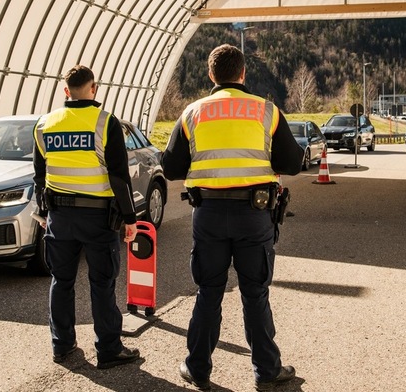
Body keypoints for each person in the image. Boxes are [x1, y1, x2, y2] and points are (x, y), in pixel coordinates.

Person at [161, 44, 304, 391]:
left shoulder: (192, 112)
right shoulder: (266, 111)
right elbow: (293, 163)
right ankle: (266, 371)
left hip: (207, 214)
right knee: (255, 293)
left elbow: (169, 168)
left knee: (208, 292)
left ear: (211, 75)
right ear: (243, 74)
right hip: (254, 216)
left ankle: (197, 368)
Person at [32, 64, 140, 370]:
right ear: (94, 89)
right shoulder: (105, 123)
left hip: (59, 217)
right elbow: (119, 177)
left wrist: (42, 212)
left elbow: (39, 177)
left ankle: (61, 346)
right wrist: (130, 219)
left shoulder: (44, 124)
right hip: (98, 218)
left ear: (66, 91)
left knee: (61, 281)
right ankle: (108, 349)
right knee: (102, 283)